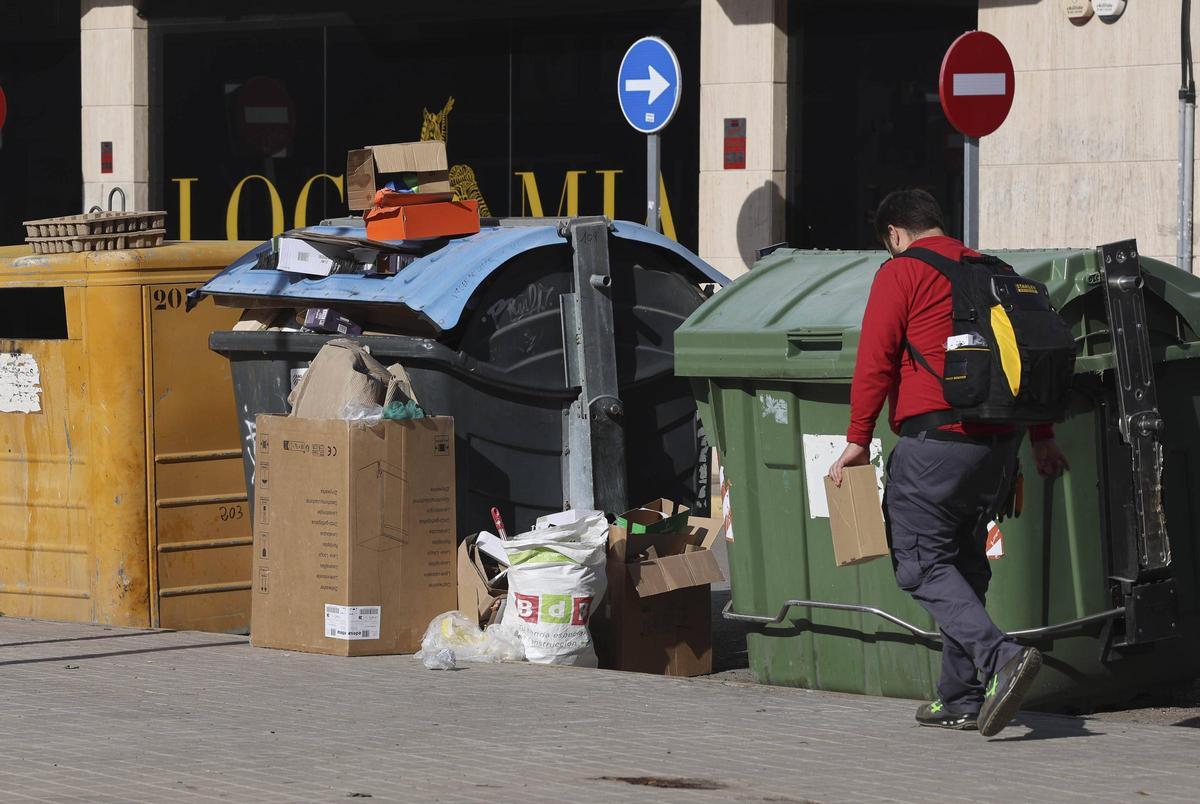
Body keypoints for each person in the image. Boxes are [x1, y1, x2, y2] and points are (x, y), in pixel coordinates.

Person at [827, 189, 1069, 737]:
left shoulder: (903, 272)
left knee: (919, 563)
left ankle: (1001, 659)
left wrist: (858, 438)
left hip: (936, 445)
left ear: (894, 233)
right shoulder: (995, 272)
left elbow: (876, 358)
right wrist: (1042, 438)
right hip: (999, 449)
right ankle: (958, 697)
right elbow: (1026, 359)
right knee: (963, 564)